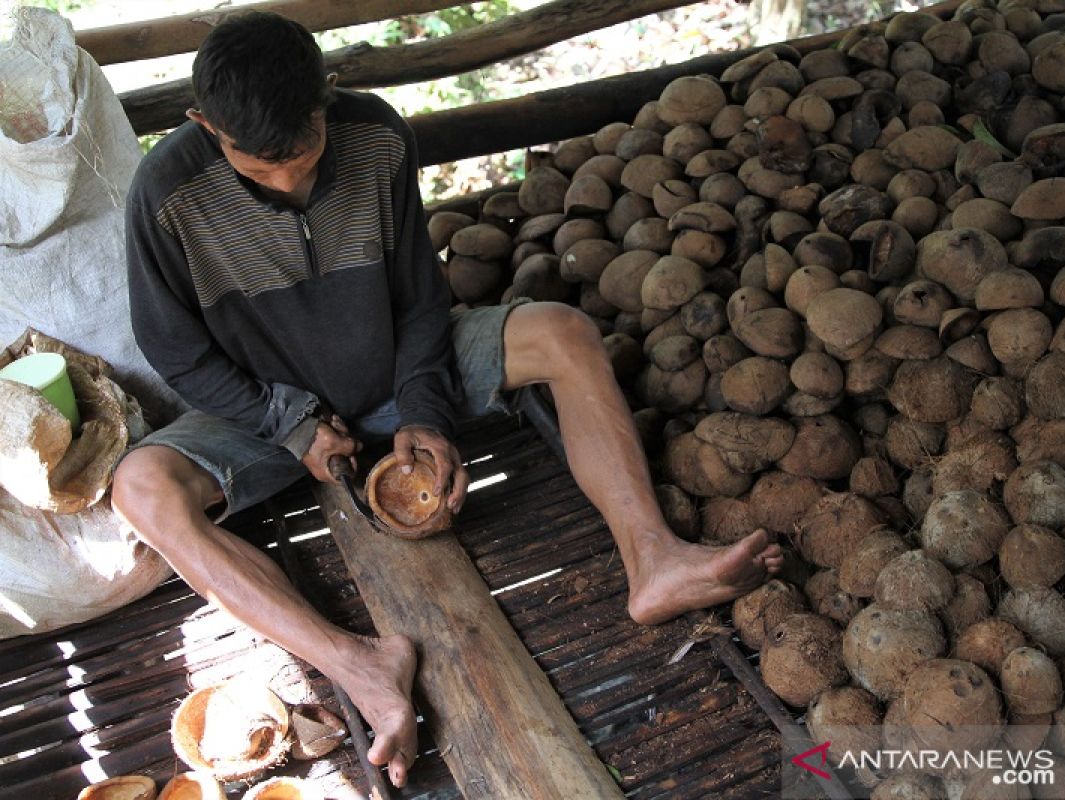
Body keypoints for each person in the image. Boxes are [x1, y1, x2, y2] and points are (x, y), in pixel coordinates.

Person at [113, 11, 783, 789]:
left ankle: (654, 559)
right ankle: (359, 662)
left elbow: (420, 296)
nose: (290, 181)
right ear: (202, 124)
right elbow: (176, 353)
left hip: (394, 374)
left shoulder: (378, 137)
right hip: (265, 413)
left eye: (302, 154)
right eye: (259, 168)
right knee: (140, 490)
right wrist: (288, 424)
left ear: (326, 100)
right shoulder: (164, 193)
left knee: (562, 333)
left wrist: (424, 407)